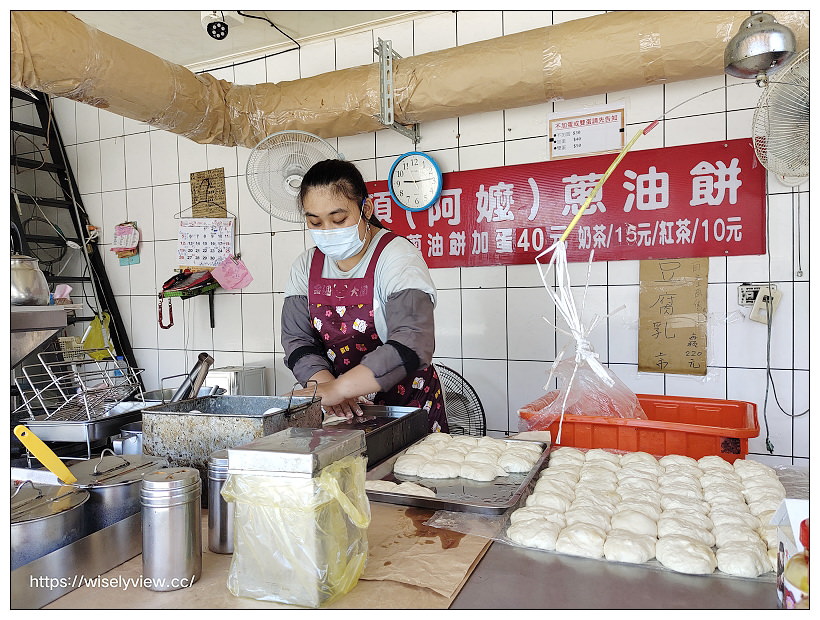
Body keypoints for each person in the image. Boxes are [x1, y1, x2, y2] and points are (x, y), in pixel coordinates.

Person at [282, 159, 448, 433]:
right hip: (346, 412)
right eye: (315, 222)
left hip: (408, 405)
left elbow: (412, 339)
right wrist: (325, 389)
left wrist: (339, 388)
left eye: (339, 219)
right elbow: (298, 339)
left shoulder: (396, 255)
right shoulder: (306, 265)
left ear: (366, 209)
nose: (328, 231)